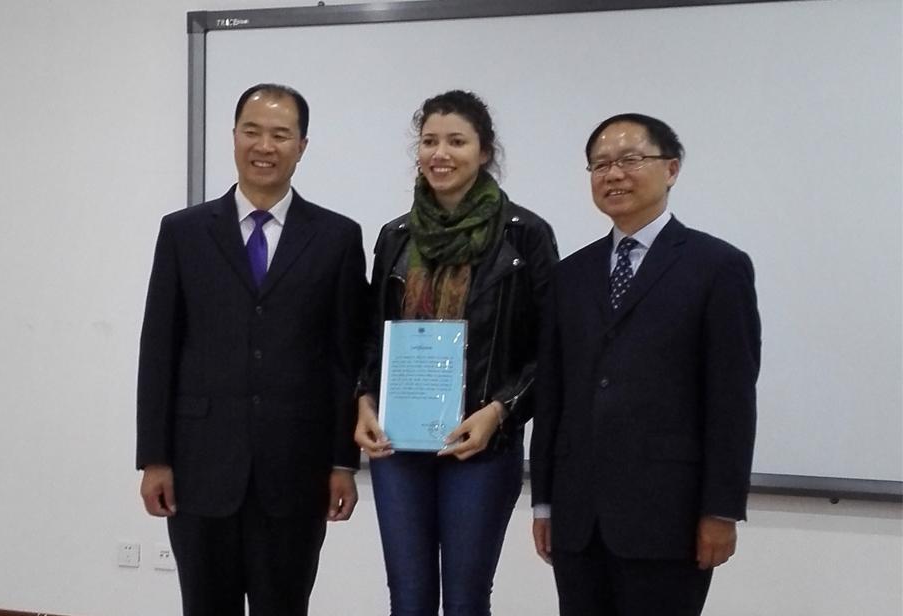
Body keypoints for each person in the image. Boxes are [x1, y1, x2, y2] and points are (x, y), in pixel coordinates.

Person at [136, 83, 367, 616]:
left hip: (296, 471)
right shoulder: (184, 233)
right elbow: (159, 349)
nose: (265, 146)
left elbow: (344, 358)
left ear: (302, 146)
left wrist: (342, 462)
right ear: (234, 137)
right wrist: (154, 457)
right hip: (199, 468)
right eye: (252, 131)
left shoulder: (336, 237)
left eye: (280, 135)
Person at [530, 113, 761, 616]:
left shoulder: (717, 267)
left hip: (670, 516)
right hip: (579, 516)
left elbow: (732, 399)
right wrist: (543, 501)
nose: (613, 174)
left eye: (630, 159)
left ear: (671, 169)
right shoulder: (570, 275)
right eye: (600, 164)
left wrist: (722, 509)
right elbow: (553, 396)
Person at [355, 90, 558, 616]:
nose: (440, 154)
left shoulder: (525, 236)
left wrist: (500, 411)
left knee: (466, 600)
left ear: (484, 151)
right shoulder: (395, 237)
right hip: (399, 447)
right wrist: (364, 402)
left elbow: (550, 349)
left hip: (481, 447)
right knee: (408, 598)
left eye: (457, 142)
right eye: (429, 141)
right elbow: (372, 338)